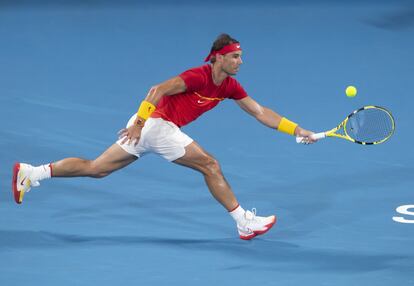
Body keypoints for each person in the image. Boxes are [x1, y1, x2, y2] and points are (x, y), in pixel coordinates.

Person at [12, 34, 316, 240]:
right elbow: (157, 90)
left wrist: (297, 129)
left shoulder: (230, 87)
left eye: (241, 57)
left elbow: (260, 112)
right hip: (155, 125)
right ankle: (243, 222)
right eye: (235, 57)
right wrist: (140, 123)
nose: (240, 61)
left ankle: (32, 172)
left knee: (97, 169)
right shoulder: (198, 76)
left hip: (150, 129)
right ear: (219, 58)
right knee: (210, 165)